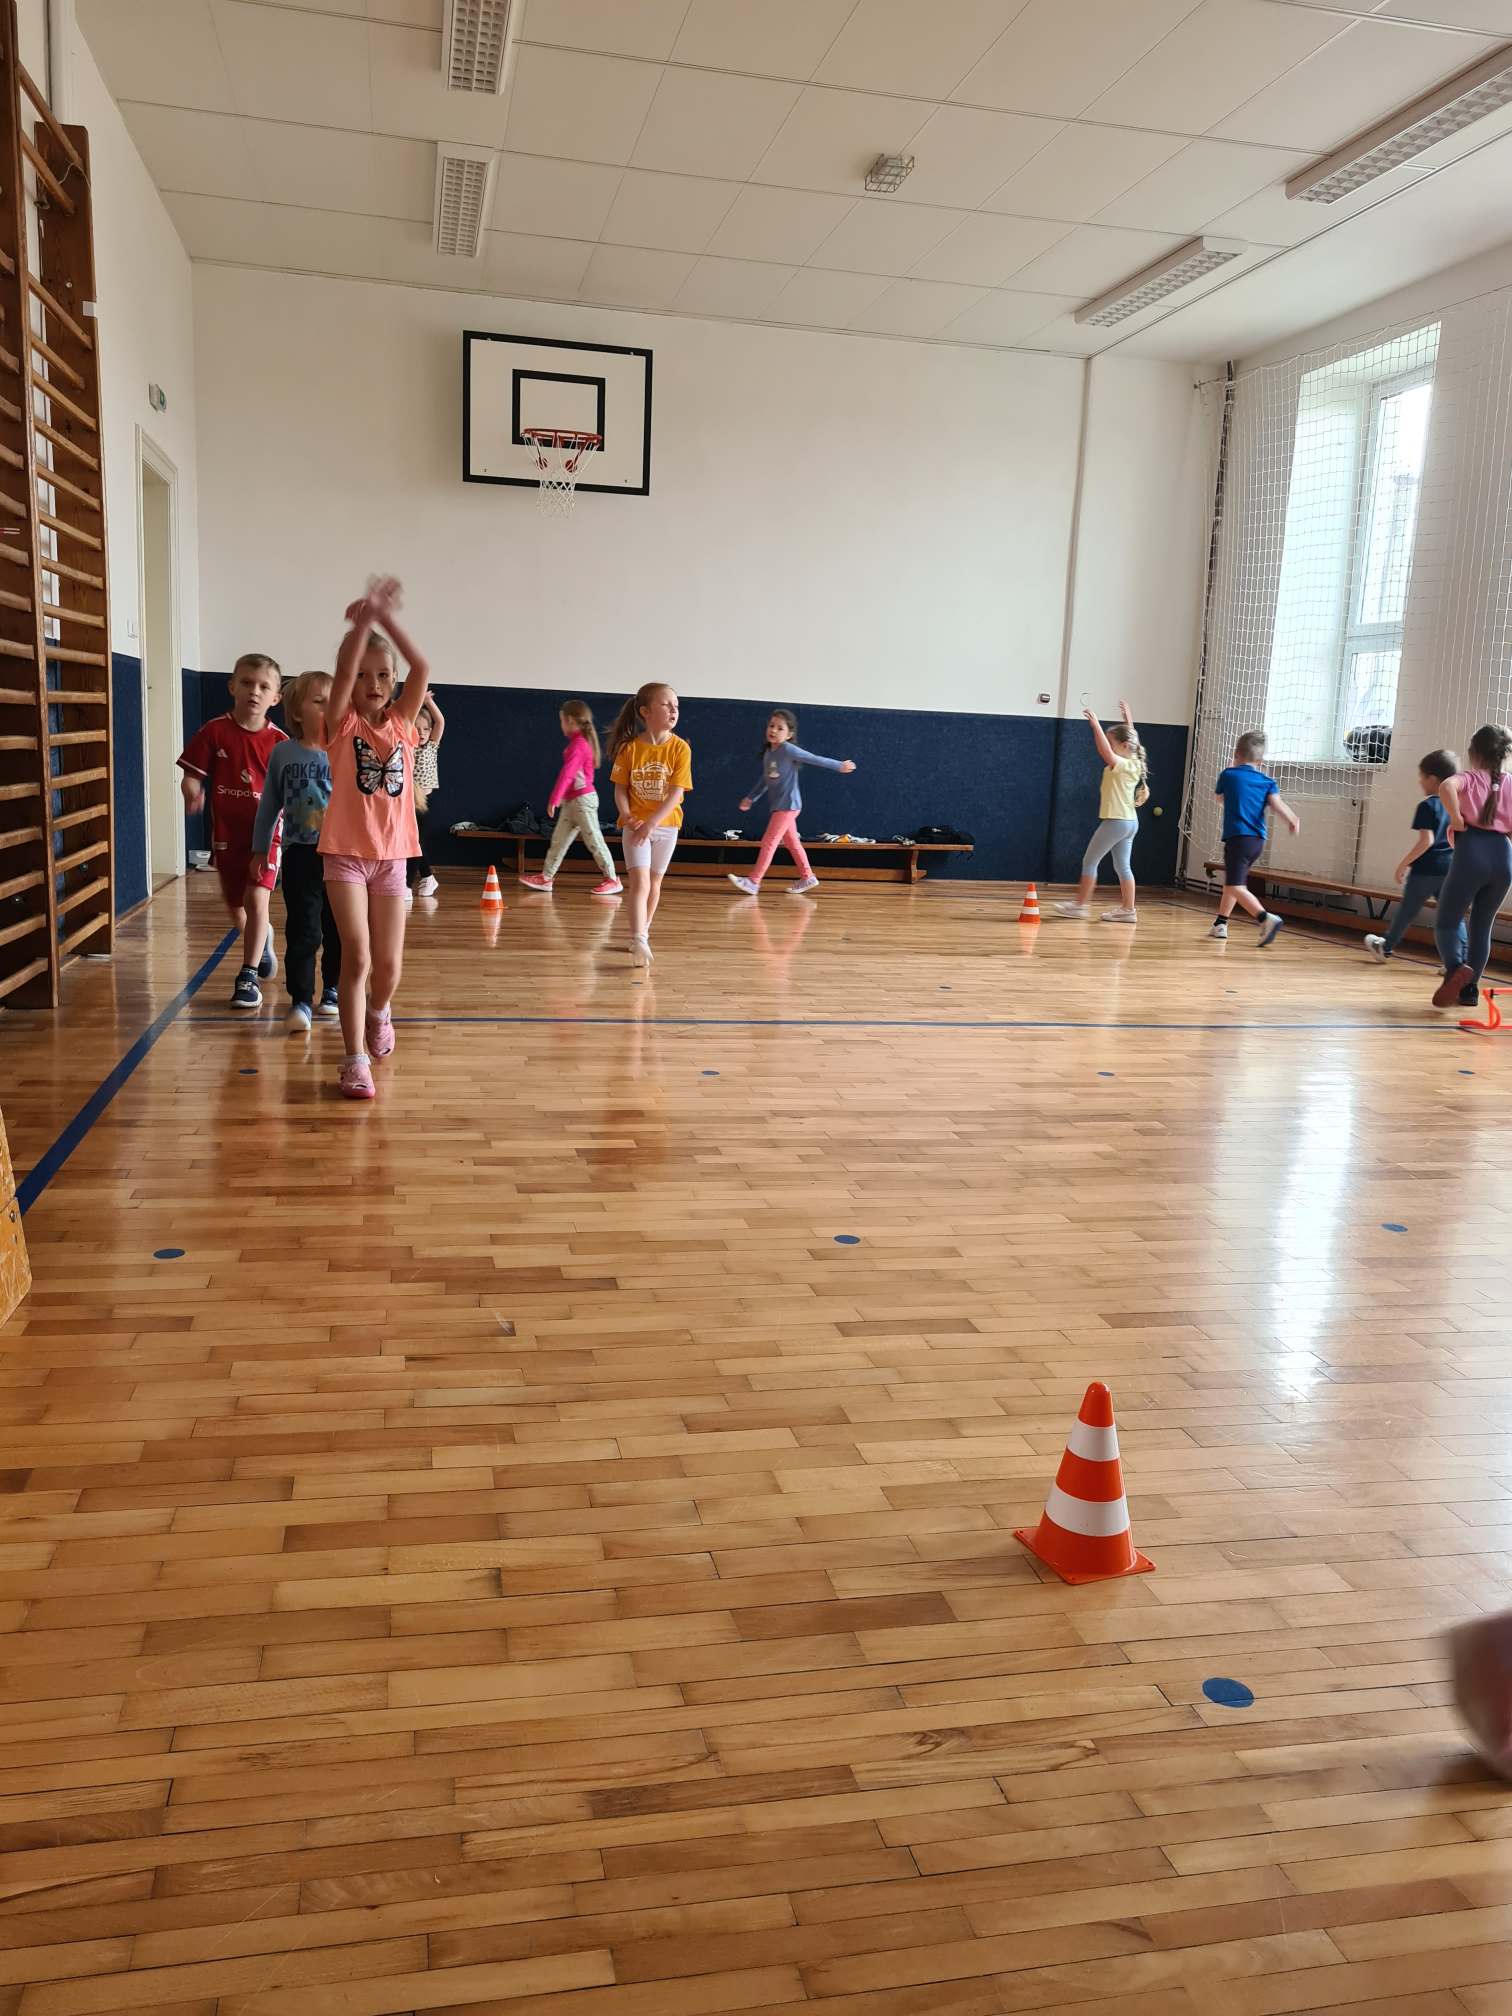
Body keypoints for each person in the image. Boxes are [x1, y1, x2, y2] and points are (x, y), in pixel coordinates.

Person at [318, 579, 431, 1101]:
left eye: (383, 674)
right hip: (345, 856)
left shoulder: (404, 725)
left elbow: (421, 667)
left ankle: (379, 1012)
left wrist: (385, 619)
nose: (373, 683)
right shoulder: (341, 726)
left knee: (389, 967)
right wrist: (361, 626)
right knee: (357, 958)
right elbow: (344, 672)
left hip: (393, 859)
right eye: (364, 675)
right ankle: (354, 1060)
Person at [176, 652, 285, 1009]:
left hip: (266, 838)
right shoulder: (214, 731)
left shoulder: (280, 743)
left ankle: (248, 975)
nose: (255, 691)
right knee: (237, 907)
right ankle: (261, 938)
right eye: (247, 683)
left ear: (276, 697)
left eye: (264, 686)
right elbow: (191, 775)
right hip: (226, 836)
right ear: (232, 686)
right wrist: (192, 790)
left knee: (257, 900)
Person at [250, 670, 341, 1035]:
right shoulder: (283, 753)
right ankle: (301, 998)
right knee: (304, 930)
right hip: (301, 855)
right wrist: (260, 849)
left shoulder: (346, 750)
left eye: (334, 702)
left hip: (342, 856)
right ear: (297, 711)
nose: (329, 709)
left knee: (338, 929)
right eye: (319, 702)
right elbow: (269, 805)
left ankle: (332, 988)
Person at [726, 709, 855, 897]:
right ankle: (808, 877)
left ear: (789, 734)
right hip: (780, 806)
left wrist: (839, 765)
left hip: (788, 805)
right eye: (771, 726)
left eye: (780, 728)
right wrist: (751, 797)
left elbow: (813, 758)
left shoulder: (788, 750)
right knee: (792, 842)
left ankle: (754, 882)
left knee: (769, 842)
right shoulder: (769, 753)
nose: (773, 730)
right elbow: (765, 779)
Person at [607, 683, 691, 968]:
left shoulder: (680, 749)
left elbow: (676, 794)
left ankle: (642, 932)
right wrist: (627, 815)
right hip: (636, 827)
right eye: (666, 704)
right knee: (640, 882)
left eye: (676, 705)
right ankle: (638, 938)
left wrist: (652, 824)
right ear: (645, 711)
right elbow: (620, 789)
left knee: (655, 883)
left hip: (666, 827)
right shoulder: (630, 749)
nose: (674, 710)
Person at [1431, 723, 1512, 1011]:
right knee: (1482, 926)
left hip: (1471, 852)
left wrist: (1455, 817)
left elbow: (1446, 786)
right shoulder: (1510, 782)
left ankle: (1456, 969)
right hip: (1503, 857)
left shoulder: (1469, 777)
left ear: (1473, 753)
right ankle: (1470, 990)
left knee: (1447, 920)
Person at [1364, 748, 1465, 967]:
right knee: (1453, 914)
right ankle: (1460, 961)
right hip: (1451, 869)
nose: (1419, 781)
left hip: (1426, 870)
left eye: (1422, 776)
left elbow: (1426, 841)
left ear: (1433, 779)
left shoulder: (1427, 805)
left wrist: (1403, 863)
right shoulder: (1459, 805)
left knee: (1407, 910)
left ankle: (1385, 947)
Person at [1054, 701, 1147, 924]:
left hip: (1117, 821)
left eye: (1112, 742)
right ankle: (1128, 910)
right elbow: (1131, 740)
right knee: (1123, 866)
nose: (1110, 746)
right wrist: (1128, 719)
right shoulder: (1134, 761)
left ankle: (1079, 906)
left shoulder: (1122, 764)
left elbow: (1105, 752)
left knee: (1090, 861)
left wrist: (1096, 725)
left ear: (1124, 745)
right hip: (1130, 823)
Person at [519, 699, 622, 895]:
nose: (561, 725)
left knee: (594, 840)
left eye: (562, 721)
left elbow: (568, 774)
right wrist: (563, 798)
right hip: (572, 803)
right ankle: (546, 878)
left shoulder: (579, 745)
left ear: (571, 721)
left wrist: (554, 799)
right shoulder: (577, 744)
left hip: (583, 802)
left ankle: (612, 879)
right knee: (558, 841)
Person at [1209, 730, 1299, 946]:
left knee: (1235, 886)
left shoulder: (1229, 775)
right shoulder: (1267, 781)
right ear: (1260, 761)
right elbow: (1277, 805)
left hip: (1238, 838)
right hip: (1257, 841)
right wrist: (1292, 819)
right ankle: (1221, 922)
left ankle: (1265, 918)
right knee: (1234, 881)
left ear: (1236, 754)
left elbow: (1219, 798)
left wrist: (1229, 771)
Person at [406, 692, 446, 900]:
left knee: (415, 841)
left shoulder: (432, 745)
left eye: (425, 729)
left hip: (425, 801)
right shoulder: (407, 746)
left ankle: (409, 883)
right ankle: (427, 876)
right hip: (407, 800)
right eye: (416, 728)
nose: (421, 733)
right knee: (411, 841)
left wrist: (429, 702)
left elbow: (440, 721)